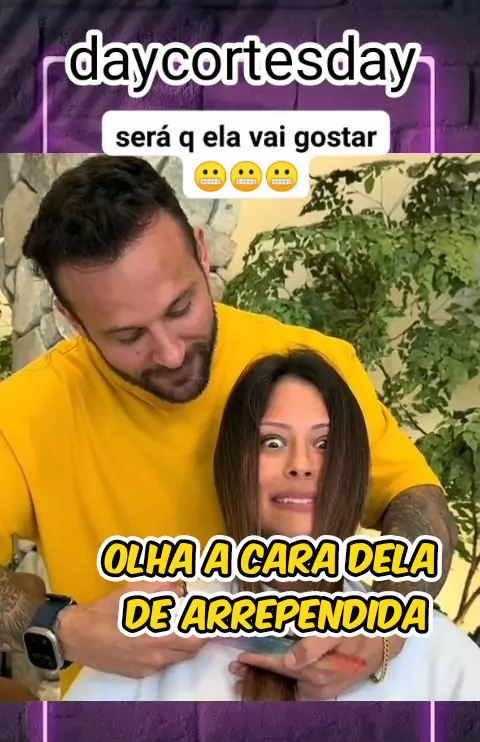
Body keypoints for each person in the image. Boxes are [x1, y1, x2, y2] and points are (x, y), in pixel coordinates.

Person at [0, 155, 458, 701]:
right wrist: (65, 629)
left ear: (201, 251)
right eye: (129, 336)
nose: (170, 353)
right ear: (72, 319)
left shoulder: (309, 369)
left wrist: (382, 626)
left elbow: (417, 502)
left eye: (180, 308)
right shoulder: (23, 416)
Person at [64, 349, 480, 701]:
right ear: (235, 466)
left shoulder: (437, 657)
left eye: (324, 444)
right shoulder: (150, 640)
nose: (301, 465)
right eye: (273, 442)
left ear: (353, 467)